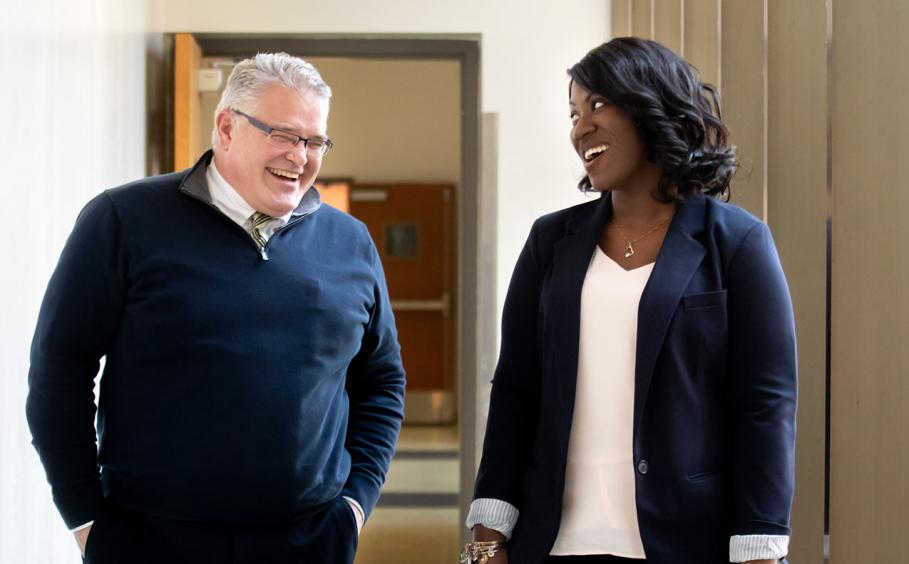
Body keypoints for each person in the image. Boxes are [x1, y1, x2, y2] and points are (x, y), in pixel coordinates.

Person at [26, 52, 405, 564]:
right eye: (284, 134)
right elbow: (59, 374)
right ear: (226, 127)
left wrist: (355, 504)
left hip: (312, 540)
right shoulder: (123, 221)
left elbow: (381, 379)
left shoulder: (351, 241)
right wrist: (87, 520)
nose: (301, 156)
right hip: (154, 541)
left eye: (315, 141)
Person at [463, 38, 796, 564]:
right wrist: (487, 534)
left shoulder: (738, 243)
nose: (580, 128)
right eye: (574, 112)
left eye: (598, 105)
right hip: (553, 542)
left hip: (687, 542)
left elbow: (765, 406)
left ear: (651, 105)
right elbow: (515, 389)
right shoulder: (550, 242)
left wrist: (760, 545)